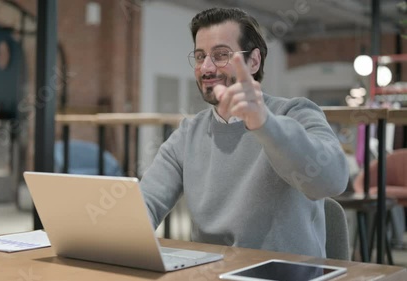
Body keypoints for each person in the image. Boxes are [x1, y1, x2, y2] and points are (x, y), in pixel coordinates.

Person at [140, 7, 349, 258]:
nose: (206, 67)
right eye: (199, 56)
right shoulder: (188, 134)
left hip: (284, 274)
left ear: (254, 61)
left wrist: (264, 124)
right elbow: (146, 204)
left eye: (220, 55)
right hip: (211, 273)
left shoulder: (296, 112)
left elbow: (333, 179)